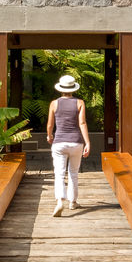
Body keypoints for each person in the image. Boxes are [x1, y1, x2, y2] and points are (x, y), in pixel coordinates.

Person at [46, 75, 91, 216]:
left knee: (59, 173)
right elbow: (82, 123)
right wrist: (87, 142)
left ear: (61, 88)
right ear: (73, 88)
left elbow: (50, 124)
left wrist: (49, 135)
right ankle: (73, 202)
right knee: (73, 172)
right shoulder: (80, 103)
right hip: (76, 142)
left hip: (59, 142)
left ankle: (60, 201)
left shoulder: (54, 103)